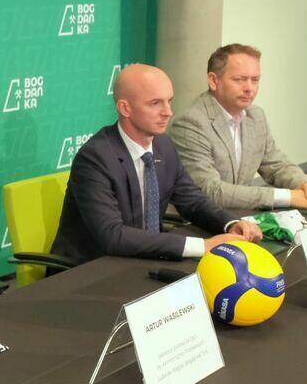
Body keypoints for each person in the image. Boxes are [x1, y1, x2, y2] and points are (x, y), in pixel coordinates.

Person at [50, 64, 263, 265]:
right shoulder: (95, 158)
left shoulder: (164, 145)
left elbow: (193, 201)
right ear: (125, 108)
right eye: (155, 103)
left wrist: (230, 223)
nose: (168, 111)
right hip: (92, 268)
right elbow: (113, 236)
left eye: (169, 101)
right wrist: (204, 246)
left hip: (145, 258)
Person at [170, 43, 307, 210]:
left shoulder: (256, 116)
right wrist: (289, 197)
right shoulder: (191, 122)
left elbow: (277, 166)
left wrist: (305, 185)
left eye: (255, 80)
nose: (249, 88)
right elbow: (211, 191)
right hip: (197, 219)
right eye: (239, 80)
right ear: (213, 80)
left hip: (239, 214)